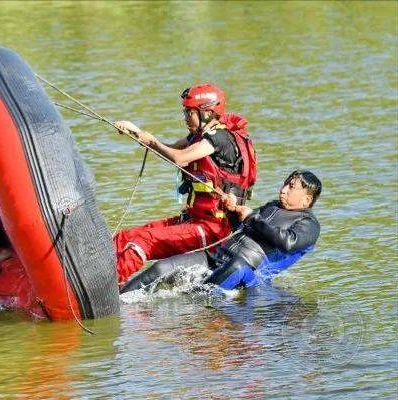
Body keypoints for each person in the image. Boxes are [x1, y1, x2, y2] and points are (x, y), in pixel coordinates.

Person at [113, 83, 257, 284]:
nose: (185, 118)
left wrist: (152, 141)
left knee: (141, 242)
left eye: (189, 113)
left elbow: (180, 158)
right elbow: (169, 149)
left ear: (207, 112)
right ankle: (89, 273)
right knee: (124, 238)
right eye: (185, 112)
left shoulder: (219, 139)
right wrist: (137, 133)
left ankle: (104, 290)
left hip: (213, 229)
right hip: (192, 220)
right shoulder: (200, 137)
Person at [120, 170, 321, 293]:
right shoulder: (273, 206)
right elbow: (239, 226)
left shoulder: (308, 223)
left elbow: (288, 243)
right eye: (286, 183)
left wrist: (252, 216)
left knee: (236, 267)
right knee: (160, 269)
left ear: (306, 200)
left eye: (291, 187)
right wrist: (232, 210)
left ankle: (198, 300)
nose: (283, 189)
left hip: (244, 271)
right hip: (216, 256)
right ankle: (118, 298)